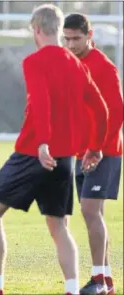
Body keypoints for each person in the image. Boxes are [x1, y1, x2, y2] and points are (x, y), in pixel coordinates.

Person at [0, 4, 109, 295]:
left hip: (33, 152)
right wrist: (95, 147)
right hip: (64, 158)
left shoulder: (34, 61)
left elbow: (40, 102)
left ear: (36, 30)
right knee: (58, 225)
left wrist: (42, 142)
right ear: (60, 30)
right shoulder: (77, 64)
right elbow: (101, 109)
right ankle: (72, 290)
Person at [63, 13, 123, 295]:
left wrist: (98, 148)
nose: (71, 44)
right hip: (80, 152)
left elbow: (116, 111)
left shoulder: (103, 67)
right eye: (67, 39)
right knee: (93, 214)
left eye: (76, 38)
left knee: (89, 210)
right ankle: (106, 281)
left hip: (104, 151)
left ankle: (98, 280)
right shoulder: (71, 64)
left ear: (90, 35)